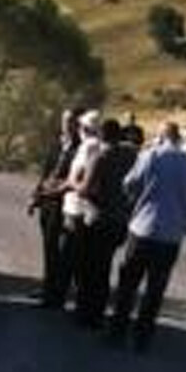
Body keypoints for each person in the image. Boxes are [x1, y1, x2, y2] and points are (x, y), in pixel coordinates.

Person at [106, 120, 186, 352]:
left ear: (160, 137)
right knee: (155, 288)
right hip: (171, 236)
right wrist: (183, 227)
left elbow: (129, 183)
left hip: (143, 229)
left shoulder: (150, 155)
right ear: (178, 138)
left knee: (129, 282)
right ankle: (143, 338)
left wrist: (135, 204)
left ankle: (118, 332)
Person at [75, 119, 138, 329]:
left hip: (98, 219)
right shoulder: (132, 156)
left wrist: (75, 183)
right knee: (104, 266)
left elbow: (86, 189)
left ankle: (85, 312)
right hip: (121, 221)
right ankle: (98, 312)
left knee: (90, 267)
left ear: (102, 135)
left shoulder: (100, 157)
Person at [28, 108, 83, 307]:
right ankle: (48, 289)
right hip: (47, 202)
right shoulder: (57, 143)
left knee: (62, 252)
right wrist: (35, 196)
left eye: (71, 122)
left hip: (65, 204)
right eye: (65, 120)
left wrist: (53, 189)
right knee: (49, 248)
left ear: (79, 125)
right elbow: (46, 172)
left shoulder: (81, 148)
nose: (67, 125)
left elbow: (73, 180)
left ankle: (56, 295)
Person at [52, 109, 103, 311]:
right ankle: (77, 302)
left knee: (69, 256)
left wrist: (60, 187)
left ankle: (60, 300)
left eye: (81, 126)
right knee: (79, 257)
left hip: (77, 209)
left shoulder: (89, 147)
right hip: (83, 209)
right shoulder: (94, 145)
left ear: (85, 128)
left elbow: (80, 179)